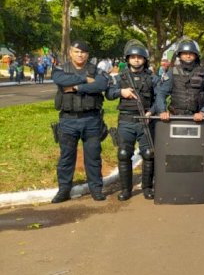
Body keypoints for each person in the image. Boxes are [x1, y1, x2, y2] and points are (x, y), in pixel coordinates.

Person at [51, 40, 109, 203]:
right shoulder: (61, 69)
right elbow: (61, 81)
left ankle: (96, 189)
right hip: (68, 120)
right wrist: (86, 79)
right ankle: (63, 190)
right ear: (70, 53)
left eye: (83, 52)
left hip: (91, 120)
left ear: (87, 54)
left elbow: (102, 84)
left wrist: (77, 87)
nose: (80, 54)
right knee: (66, 157)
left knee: (93, 157)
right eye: (76, 51)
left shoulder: (96, 70)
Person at [106, 40, 161, 201]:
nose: (136, 60)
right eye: (133, 57)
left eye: (140, 57)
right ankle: (125, 190)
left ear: (145, 59)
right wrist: (120, 92)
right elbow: (108, 93)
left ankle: (147, 188)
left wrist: (152, 111)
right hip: (126, 120)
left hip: (145, 120)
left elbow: (160, 97)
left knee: (149, 154)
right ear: (128, 59)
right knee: (124, 154)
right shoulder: (120, 77)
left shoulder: (152, 78)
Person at [158, 39, 204, 121]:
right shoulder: (172, 72)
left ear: (196, 55)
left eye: (191, 54)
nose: (188, 56)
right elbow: (161, 93)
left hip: (197, 118)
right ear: (180, 55)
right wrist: (163, 111)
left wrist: (203, 112)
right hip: (175, 117)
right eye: (185, 54)